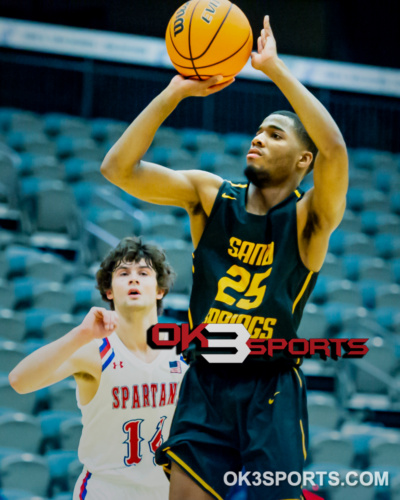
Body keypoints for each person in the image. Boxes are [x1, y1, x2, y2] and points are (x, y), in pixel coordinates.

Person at [100, 15, 348, 500]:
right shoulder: (210, 195)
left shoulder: (308, 220)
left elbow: (335, 148)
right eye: (259, 130)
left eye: (276, 135)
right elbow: (117, 168)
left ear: (304, 161)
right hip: (207, 382)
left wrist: (275, 69)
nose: (259, 138)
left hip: (269, 388)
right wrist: (174, 93)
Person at [9, 237, 187, 500]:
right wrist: (80, 334)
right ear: (109, 291)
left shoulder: (183, 350)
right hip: (105, 492)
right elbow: (19, 382)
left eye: (144, 273)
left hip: (166, 491)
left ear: (160, 290)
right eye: (123, 273)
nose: (133, 279)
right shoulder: (95, 350)